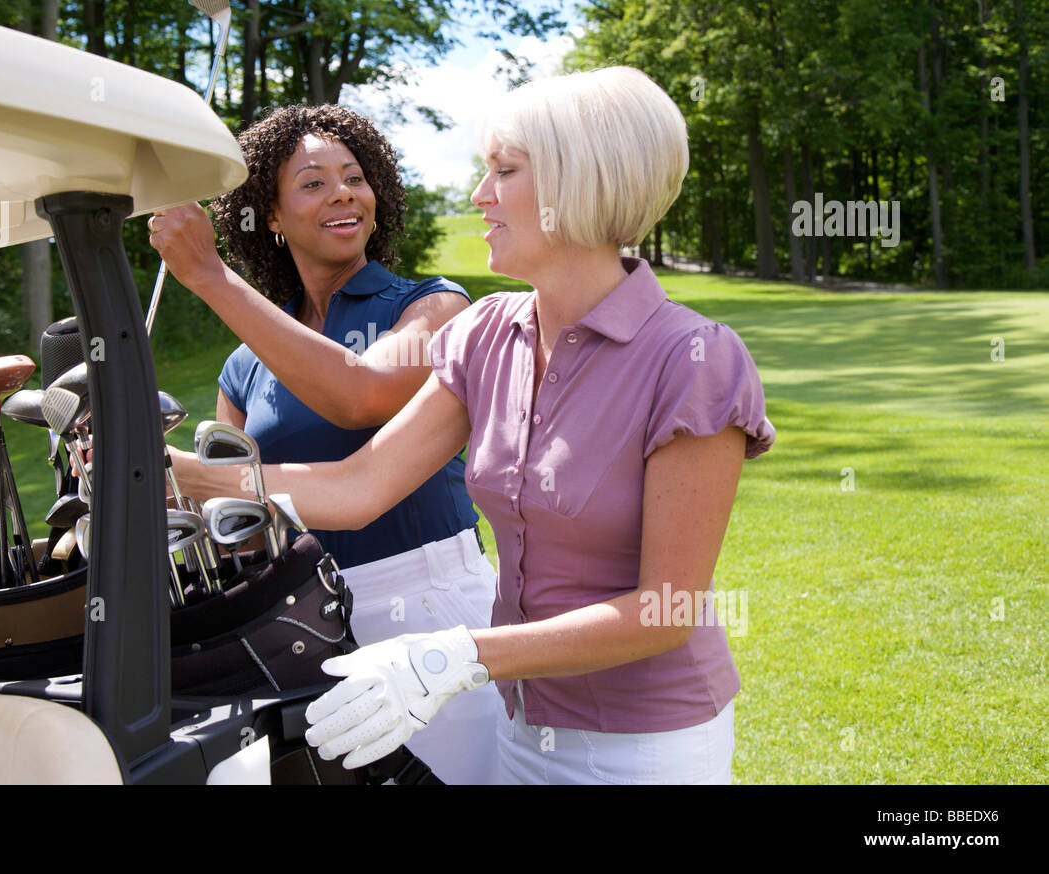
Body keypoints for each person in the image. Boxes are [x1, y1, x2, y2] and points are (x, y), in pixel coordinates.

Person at [168, 67, 776, 785]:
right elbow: (361, 485)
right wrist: (179, 475)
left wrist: (455, 657)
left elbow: (665, 612)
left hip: (648, 744)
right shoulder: (487, 334)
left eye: (504, 171)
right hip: (523, 726)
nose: (478, 195)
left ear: (581, 183)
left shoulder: (694, 357)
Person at [147, 104, 500, 784]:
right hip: (296, 620)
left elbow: (360, 392)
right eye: (312, 182)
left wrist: (209, 275)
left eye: (354, 177)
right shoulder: (245, 364)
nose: (342, 192)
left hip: (431, 606)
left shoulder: (433, 306)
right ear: (271, 216)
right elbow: (242, 529)